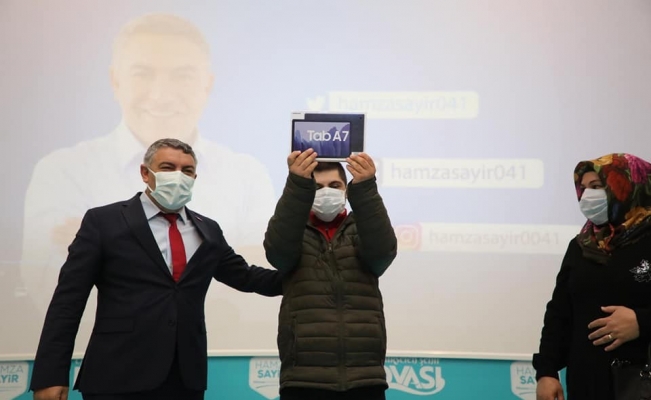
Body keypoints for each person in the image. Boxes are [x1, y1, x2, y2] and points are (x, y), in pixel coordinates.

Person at [20, 13, 276, 317]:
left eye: (182, 76)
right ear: (115, 81)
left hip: (194, 346)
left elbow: (250, 287)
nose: (162, 95)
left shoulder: (245, 176)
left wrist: (110, 252)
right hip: (117, 346)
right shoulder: (62, 172)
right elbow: (52, 290)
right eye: (142, 74)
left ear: (207, 84)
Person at [29, 138, 282, 400]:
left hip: (184, 378)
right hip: (116, 374)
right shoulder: (103, 221)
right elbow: (67, 302)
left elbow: (247, 277)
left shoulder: (208, 229)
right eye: (168, 167)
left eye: (186, 170)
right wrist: (50, 375)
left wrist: (305, 277)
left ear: (194, 177)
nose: (178, 176)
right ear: (145, 173)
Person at [264, 149, 397, 400]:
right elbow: (278, 255)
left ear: (346, 190)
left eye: (335, 185)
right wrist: (297, 184)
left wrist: (365, 187)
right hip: (304, 376)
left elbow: (382, 255)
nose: (326, 192)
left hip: (364, 374)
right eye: (317, 187)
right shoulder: (293, 230)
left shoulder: (362, 227)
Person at [534, 153, 651, 400]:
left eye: (597, 186)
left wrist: (641, 322)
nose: (588, 196)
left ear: (628, 187)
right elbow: (559, 312)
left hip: (641, 383)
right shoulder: (581, 245)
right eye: (584, 188)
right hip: (587, 383)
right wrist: (547, 372)